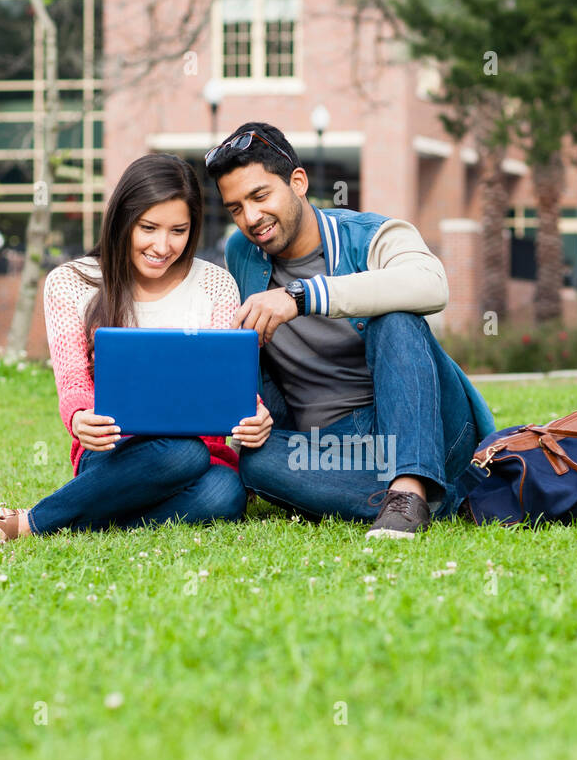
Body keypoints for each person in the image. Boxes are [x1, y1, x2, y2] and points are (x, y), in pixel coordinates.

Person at [0, 154, 270, 547]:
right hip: (113, 450)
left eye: (178, 230)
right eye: (148, 227)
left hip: (203, 452)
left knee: (225, 494)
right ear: (122, 220)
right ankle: (29, 523)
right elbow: (73, 383)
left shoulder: (215, 284)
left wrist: (251, 412)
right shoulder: (71, 283)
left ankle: (87, 515)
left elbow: (223, 378)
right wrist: (80, 417)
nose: (162, 246)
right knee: (182, 455)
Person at [205, 123, 495, 537]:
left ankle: (412, 487)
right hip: (337, 451)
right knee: (253, 461)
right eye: (235, 208)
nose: (251, 218)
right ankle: (433, 496)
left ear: (298, 182)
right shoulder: (242, 253)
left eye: (260, 196)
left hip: (424, 427)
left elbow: (432, 283)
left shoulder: (372, 235)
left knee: (396, 318)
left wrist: (302, 297)